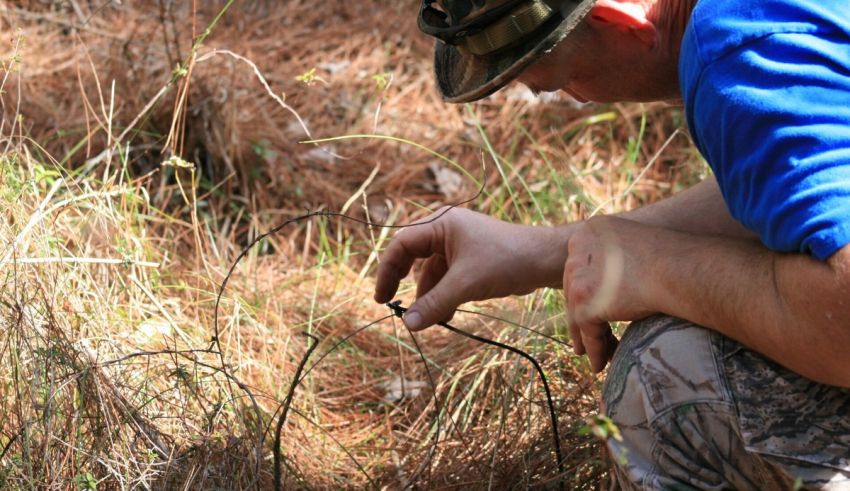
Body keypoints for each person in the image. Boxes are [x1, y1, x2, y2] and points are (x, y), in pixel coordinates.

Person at [374, 0, 850, 488]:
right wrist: (548, 250)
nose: (580, 99)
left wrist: (657, 267)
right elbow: (777, 191)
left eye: (563, 80)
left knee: (662, 373)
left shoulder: (734, 46)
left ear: (616, 19)